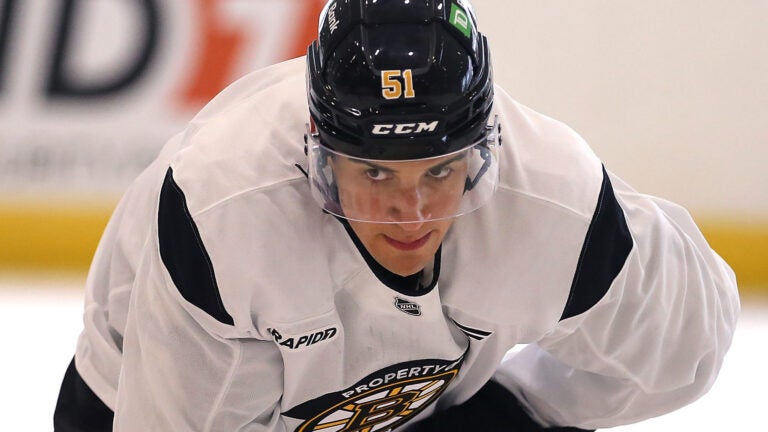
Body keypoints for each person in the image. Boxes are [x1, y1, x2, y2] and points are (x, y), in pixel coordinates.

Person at [54, 1, 740, 431]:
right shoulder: (225, 217)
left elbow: (685, 346)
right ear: (319, 153)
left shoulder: (550, 197)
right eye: (375, 172)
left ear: (484, 149)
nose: (410, 215)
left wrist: (514, 410)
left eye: (439, 171)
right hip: (135, 398)